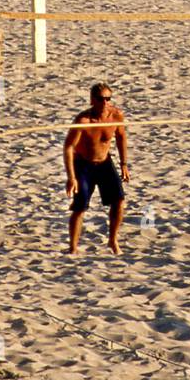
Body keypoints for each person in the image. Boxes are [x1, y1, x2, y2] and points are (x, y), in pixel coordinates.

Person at [64, 83, 129, 255]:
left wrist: (124, 164)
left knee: (119, 201)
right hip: (83, 164)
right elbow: (68, 147)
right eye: (101, 99)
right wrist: (71, 177)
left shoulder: (116, 115)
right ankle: (73, 247)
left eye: (108, 99)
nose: (105, 103)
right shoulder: (83, 120)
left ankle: (113, 241)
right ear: (92, 100)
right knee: (80, 207)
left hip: (105, 162)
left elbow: (121, 137)